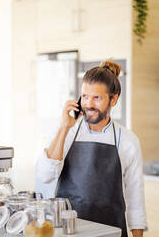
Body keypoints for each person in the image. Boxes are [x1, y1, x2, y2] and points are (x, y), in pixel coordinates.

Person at [36, 60, 148, 237]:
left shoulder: (128, 141)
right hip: (69, 231)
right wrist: (63, 128)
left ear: (113, 99)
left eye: (97, 98)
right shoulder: (68, 131)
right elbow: (45, 175)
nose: (88, 104)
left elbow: (136, 199)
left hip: (112, 232)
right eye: (85, 96)